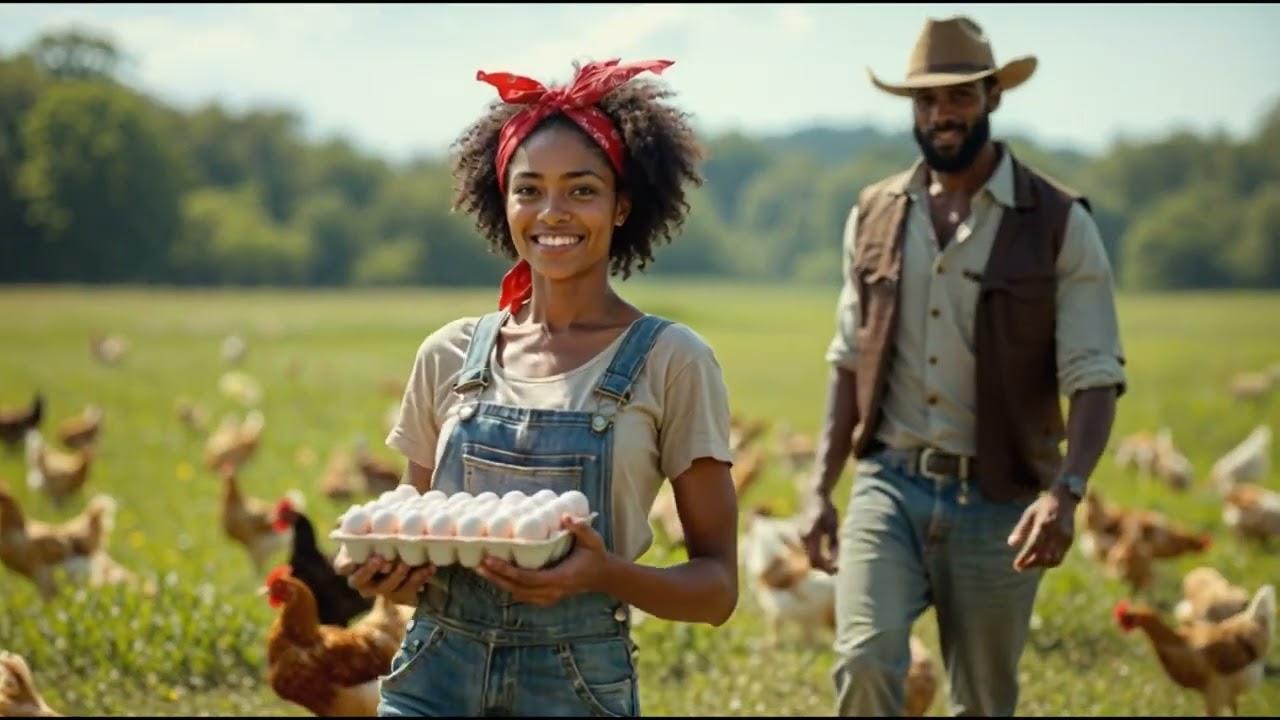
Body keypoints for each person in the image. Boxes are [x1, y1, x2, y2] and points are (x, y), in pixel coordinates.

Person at [333, 58, 740, 717]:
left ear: (622, 206)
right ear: (504, 200)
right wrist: (387, 571)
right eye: (529, 190)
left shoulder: (672, 360)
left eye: (581, 190)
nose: (552, 212)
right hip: (430, 679)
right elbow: (422, 549)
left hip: (574, 688)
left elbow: (717, 589)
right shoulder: (448, 355)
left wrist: (605, 574)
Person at [797, 15, 1127, 717]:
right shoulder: (873, 213)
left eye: (959, 98)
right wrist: (820, 487)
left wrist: (1065, 492)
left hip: (1002, 500)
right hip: (890, 485)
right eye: (926, 100)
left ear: (991, 99)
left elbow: (1095, 371)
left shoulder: (1061, 221)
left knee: (982, 702)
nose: (941, 115)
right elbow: (847, 360)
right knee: (862, 663)